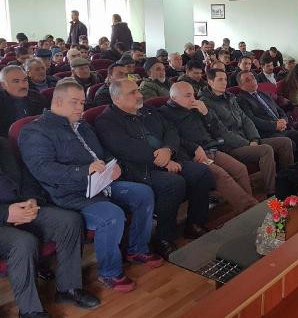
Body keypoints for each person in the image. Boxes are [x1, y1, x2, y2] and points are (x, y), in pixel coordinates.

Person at [19, 79, 162, 293]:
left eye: (82, 102)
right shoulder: (36, 131)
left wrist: (113, 164)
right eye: (74, 102)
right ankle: (110, 272)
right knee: (111, 215)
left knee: (143, 193)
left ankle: (137, 249)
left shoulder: (83, 125)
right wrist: (84, 170)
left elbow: (102, 151)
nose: (80, 107)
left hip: (100, 183)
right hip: (71, 194)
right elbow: (43, 170)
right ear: (57, 102)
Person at [95, 79, 216, 258]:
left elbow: (171, 130)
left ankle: (194, 223)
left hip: (168, 157)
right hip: (137, 169)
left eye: (138, 90)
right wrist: (163, 161)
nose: (139, 95)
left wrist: (168, 149)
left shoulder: (148, 110)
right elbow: (127, 149)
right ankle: (164, 237)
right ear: (117, 99)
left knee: (202, 172)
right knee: (173, 183)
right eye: (133, 93)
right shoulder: (106, 121)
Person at [0, 137, 100, 316]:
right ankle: (31, 311)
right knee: (23, 242)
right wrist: (6, 213)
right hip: (4, 217)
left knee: (70, 221)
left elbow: (27, 176)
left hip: (23, 208)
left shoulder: (2, 144)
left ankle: (68, 289)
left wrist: (31, 199)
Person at [159, 82, 258, 214]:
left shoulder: (195, 107)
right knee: (221, 175)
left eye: (193, 95)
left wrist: (206, 113)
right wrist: (194, 148)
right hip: (192, 155)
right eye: (188, 96)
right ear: (174, 98)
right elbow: (173, 139)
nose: (193, 99)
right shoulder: (165, 113)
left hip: (211, 148)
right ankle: (250, 208)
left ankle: (248, 208)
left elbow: (216, 128)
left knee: (240, 169)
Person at [200, 68, 293, 195]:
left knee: (285, 142)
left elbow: (246, 120)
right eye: (220, 79)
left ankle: (287, 181)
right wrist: (247, 143)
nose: (224, 82)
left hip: (247, 139)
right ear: (210, 82)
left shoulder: (229, 97)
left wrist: (254, 139)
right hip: (230, 146)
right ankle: (273, 192)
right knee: (265, 150)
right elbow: (221, 132)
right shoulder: (206, 103)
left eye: (225, 79)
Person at [236, 71, 298, 163]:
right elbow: (252, 120)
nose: (253, 81)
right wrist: (275, 125)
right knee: (292, 144)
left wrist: (284, 120)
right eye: (247, 80)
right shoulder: (241, 100)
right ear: (241, 85)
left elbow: (279, 109)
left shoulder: (263, 94)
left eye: (253, 77)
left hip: (282, 127)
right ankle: (289, 170)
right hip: (267, 132)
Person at [0, 66, 47, 137]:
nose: (23, 85)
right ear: (3, 85)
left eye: (25, 80)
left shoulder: (37, 97)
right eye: (16, 81)